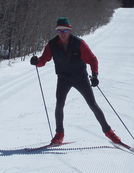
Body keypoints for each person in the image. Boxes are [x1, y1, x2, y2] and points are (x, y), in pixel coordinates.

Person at [30, 17, 121, 145]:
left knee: (92, 104)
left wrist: (94, 75)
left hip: (80, 77)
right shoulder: (52, 45)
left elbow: (92, 59)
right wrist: (36, 62)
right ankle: (59, 134)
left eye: (65, 30)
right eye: (60, 31)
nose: (62, 33)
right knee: (59, 105)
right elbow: (43, 60)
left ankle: (109, 132)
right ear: (57, 31)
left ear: (70, 30)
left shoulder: (79, 43)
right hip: (63, 78)